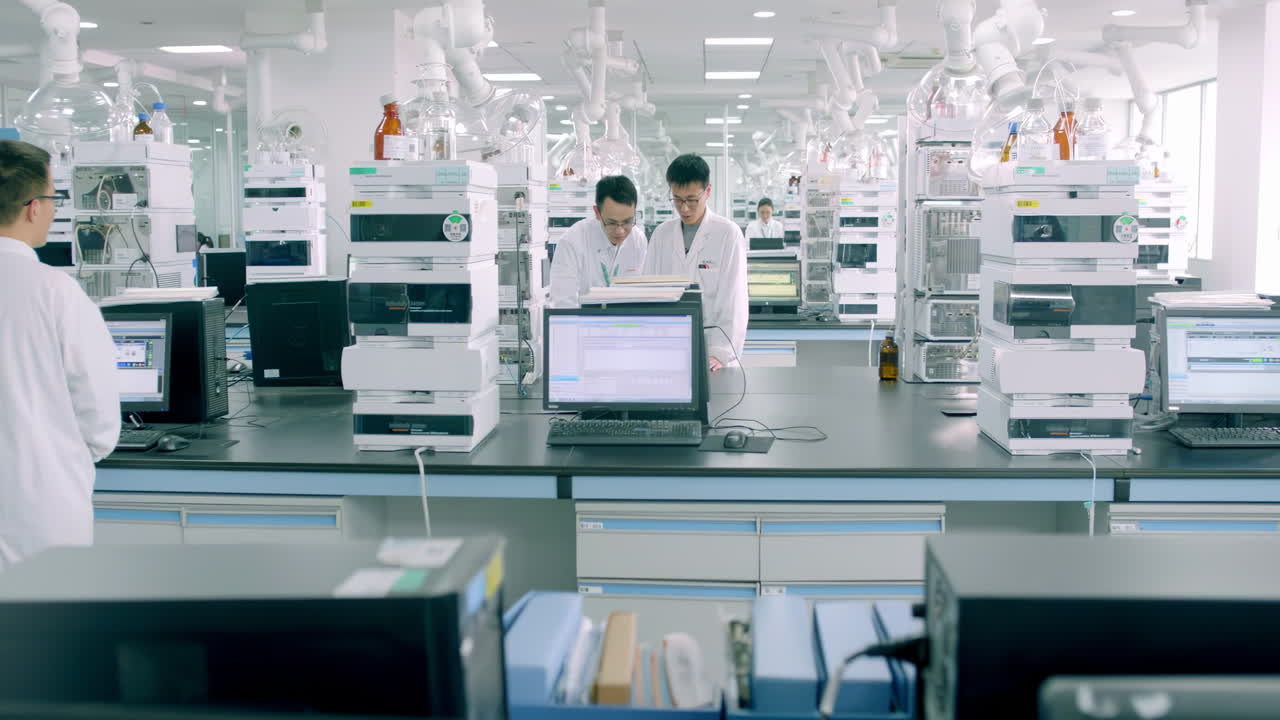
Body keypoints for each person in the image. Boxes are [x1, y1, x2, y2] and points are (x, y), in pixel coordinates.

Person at [0, 140, 120, 572]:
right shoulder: (55, 293)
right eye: (53, 199)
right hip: (40, 514)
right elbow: (99, 419)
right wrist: (57, 456)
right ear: (33, 207)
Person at [643, 154, 748, 372]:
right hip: (666, 349)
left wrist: (720, 353)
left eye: (692, 200)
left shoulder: (728, 234)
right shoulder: (661, 235)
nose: (684, 208)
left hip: (713, 354)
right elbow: (648, 293)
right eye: (677, 199)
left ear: (707, 191)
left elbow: (733, 301)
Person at [549, 175, 648, 309]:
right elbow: (563, 305)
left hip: (625, 323)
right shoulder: (572, 242)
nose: (620, 231)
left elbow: (641, 294)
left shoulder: (638, 241)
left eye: (627, 222)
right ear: (597, 212)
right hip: (583, 324)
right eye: (612, 223)